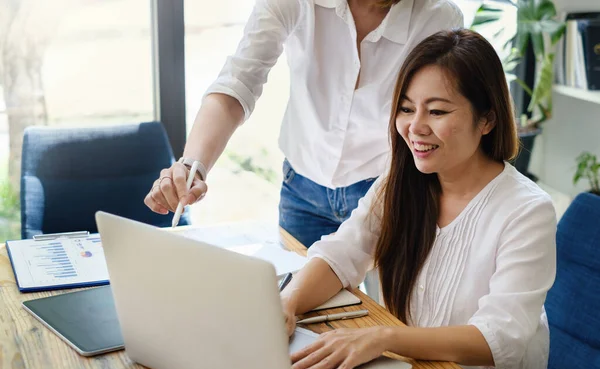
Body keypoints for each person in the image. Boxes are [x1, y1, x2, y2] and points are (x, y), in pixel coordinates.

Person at [280, 29, 557, 369]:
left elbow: (498, 338)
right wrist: (287, 304)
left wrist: (384, 337)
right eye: (407, 108)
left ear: (487, 120)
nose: (415, 127)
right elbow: (341, 253)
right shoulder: (399, 181)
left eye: (438, 111)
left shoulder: (527, 210)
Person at [144, 0, 463, 248]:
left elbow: (439, 119)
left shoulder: (437, 17)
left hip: (388, 189)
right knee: (298, 313)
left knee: (386, 320)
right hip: (303, 191)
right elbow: (238, 82)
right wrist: (192, 166)